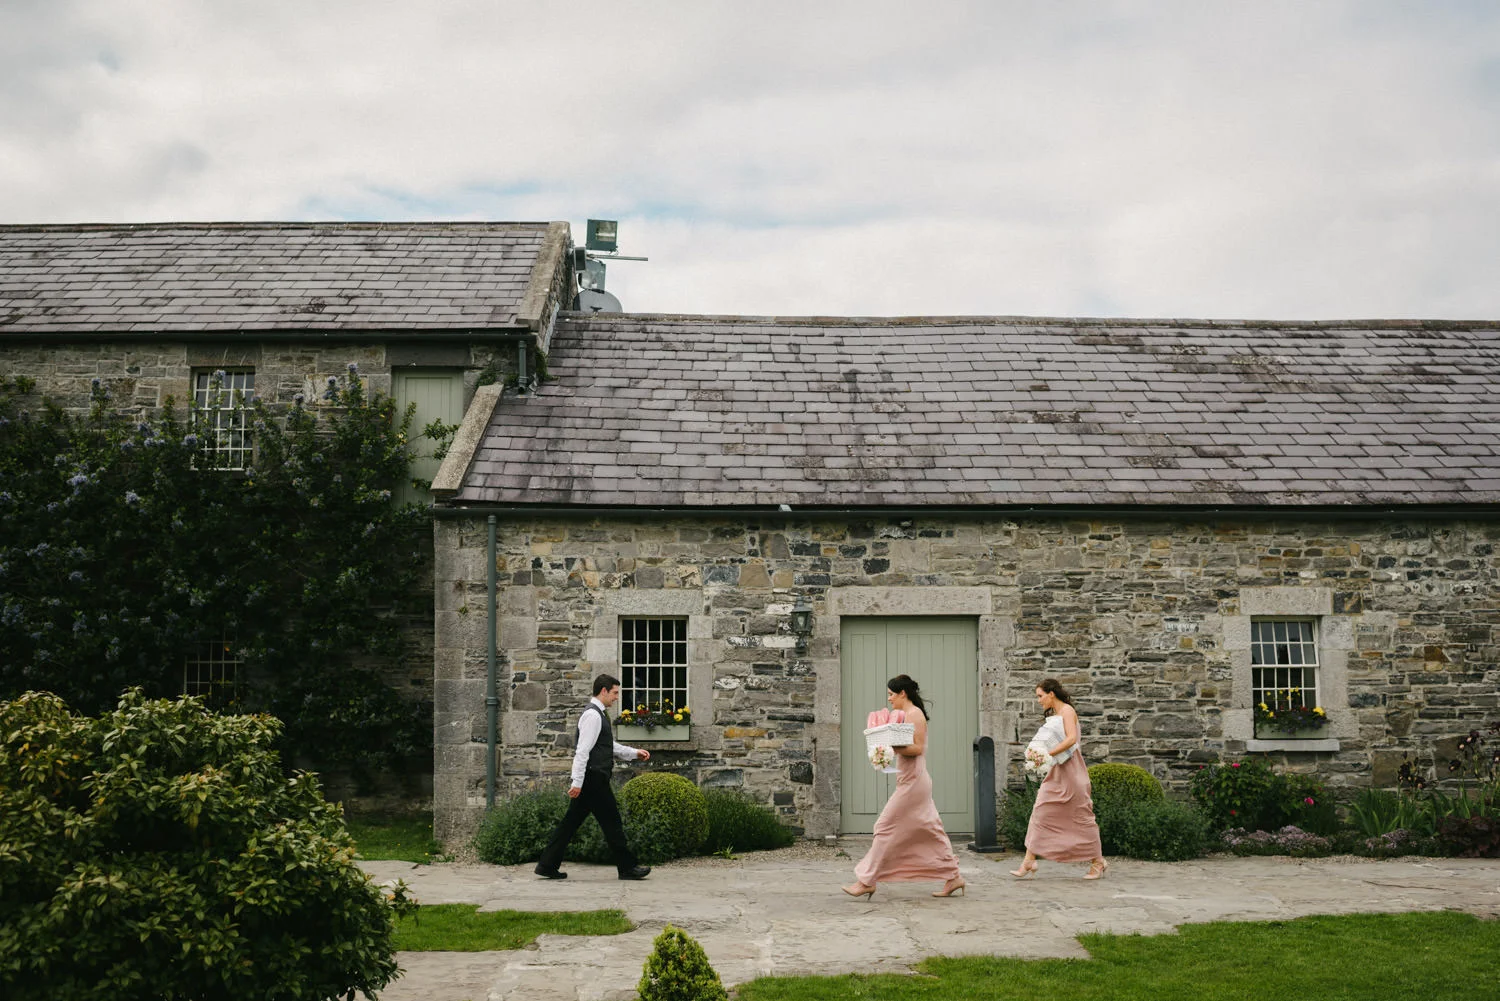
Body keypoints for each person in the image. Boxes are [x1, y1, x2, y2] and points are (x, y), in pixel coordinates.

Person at [842, 674, 966, 900]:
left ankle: (866, 881)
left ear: (903, 693)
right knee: (931, 829)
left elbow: (917, 749)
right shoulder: (904, 715)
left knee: (883, 826)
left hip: (914, 782)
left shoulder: (914, 715)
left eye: (891, 694)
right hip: (910, 779)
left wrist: (888, 747)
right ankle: (953, 876)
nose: (889, 699)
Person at [535, 673, 653, 880]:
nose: (617, 697)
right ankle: (627, 868)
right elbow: (582, 751)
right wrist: (577, 782)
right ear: (604, 691)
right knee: (612, 823)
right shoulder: (593, 716)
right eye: (615, 693)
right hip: (593, 780)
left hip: (592, 779)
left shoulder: (599, 714)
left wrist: (634, 753)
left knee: (570, 823)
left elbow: (608, 746)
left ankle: (546, 865)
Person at [1010, 678, 1108, 879]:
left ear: (1051, 694)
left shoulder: (1067, 711)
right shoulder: (1054, 715)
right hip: (1056, 772)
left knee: (1082, 817)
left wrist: (1048, 754)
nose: (1038, 701)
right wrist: (1039, 754)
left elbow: (1072, 739)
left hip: (1072, 772)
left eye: (1040, 696)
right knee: (1040, 810)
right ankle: (1029, 860)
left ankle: (1098, 862)